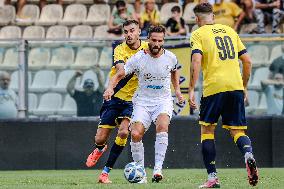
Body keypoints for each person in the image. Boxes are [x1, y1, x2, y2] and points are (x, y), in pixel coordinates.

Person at [189, 3, 258, 188]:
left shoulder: (198, 34)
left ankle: (212, 178)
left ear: (197, 19)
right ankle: (248, 153)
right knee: (237, 131)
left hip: (214, 88)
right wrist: (243, 87)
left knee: (207, 130)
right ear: (213, 16)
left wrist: (191, 89)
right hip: (235, 86)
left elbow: (196, 60)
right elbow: (247, 61)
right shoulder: (230, 31)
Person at [104, 25, 184, 183]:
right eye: (153, 40)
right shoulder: (139, 57)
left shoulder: (171, 57)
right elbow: (121, 73)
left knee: (162, 126)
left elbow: (174, 70)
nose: (156, 44)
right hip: (142, 101)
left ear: (163, 41)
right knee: (135, 134)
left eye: (160, 41)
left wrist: (178, 91)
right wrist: (110, 87)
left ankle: (158, 169)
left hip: (163, 100)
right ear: (148, 39)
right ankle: (141, 174)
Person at [85, 20, 148, 184]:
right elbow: (121, 70)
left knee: (123, 132)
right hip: (114, 97)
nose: (129, 34)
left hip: (132, 101)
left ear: (139, 31)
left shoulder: (147, 49)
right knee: (100, 138)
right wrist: (110, 88)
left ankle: (105, 173)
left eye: (132, 31)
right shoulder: (120, 49)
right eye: (126, 31)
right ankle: (100, 148)